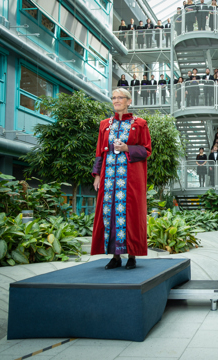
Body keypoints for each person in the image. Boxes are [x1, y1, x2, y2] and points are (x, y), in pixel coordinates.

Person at [91, 88, 152, 270]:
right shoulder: (105, 125)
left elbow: (147, 150)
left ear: (129, 101)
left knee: (130, 213)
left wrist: (127, 148)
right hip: (109, 179)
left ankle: (132, 256)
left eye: (120, 98)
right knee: (109, 213)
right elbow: (99, 152)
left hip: (130, 180)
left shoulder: (140, 123)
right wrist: (97, 175)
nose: (116, 101)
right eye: (114, 98)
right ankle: (115, 257)